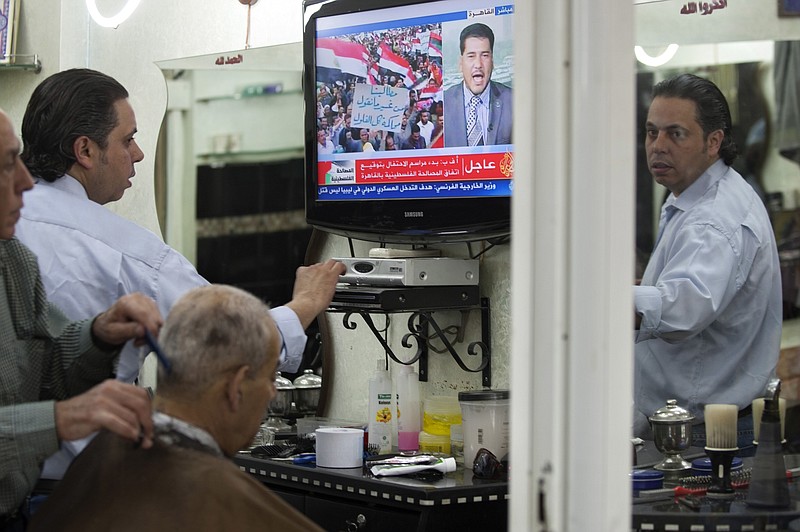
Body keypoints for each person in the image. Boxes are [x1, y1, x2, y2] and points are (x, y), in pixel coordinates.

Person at [14, 68, 346, 481]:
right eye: (127, 139)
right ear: (84, 150)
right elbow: (227, 341)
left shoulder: (14, 225)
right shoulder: (125, 252)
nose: (136, 154)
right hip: (83, 483)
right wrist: (304, 305)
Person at [28, 285, 323, 532]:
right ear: (235, 387)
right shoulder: (216, 501)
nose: (272, 391)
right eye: (270, 377)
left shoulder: (104, 454)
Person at [0, 108, 163, 529]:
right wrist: (61, 420)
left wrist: (100, 335)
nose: (23, 181)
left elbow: (45, 373)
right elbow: (49, 407)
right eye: (5, 165)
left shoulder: (11, 261)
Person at [633, 74, 782, 453]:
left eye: (675, 134)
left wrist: (593, 300)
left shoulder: (712, 220)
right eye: (652, 133)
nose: (658, 147)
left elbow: (680, 310)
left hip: (700, 436)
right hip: (698, 424)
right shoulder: (697, 197)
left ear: (713, 141)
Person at [442, 23, 513, 148]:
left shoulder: (513, 101)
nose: (478, 64)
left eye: (485, 55)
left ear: (492, 61)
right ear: (460, 63)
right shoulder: (444, 103)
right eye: (471, 56)